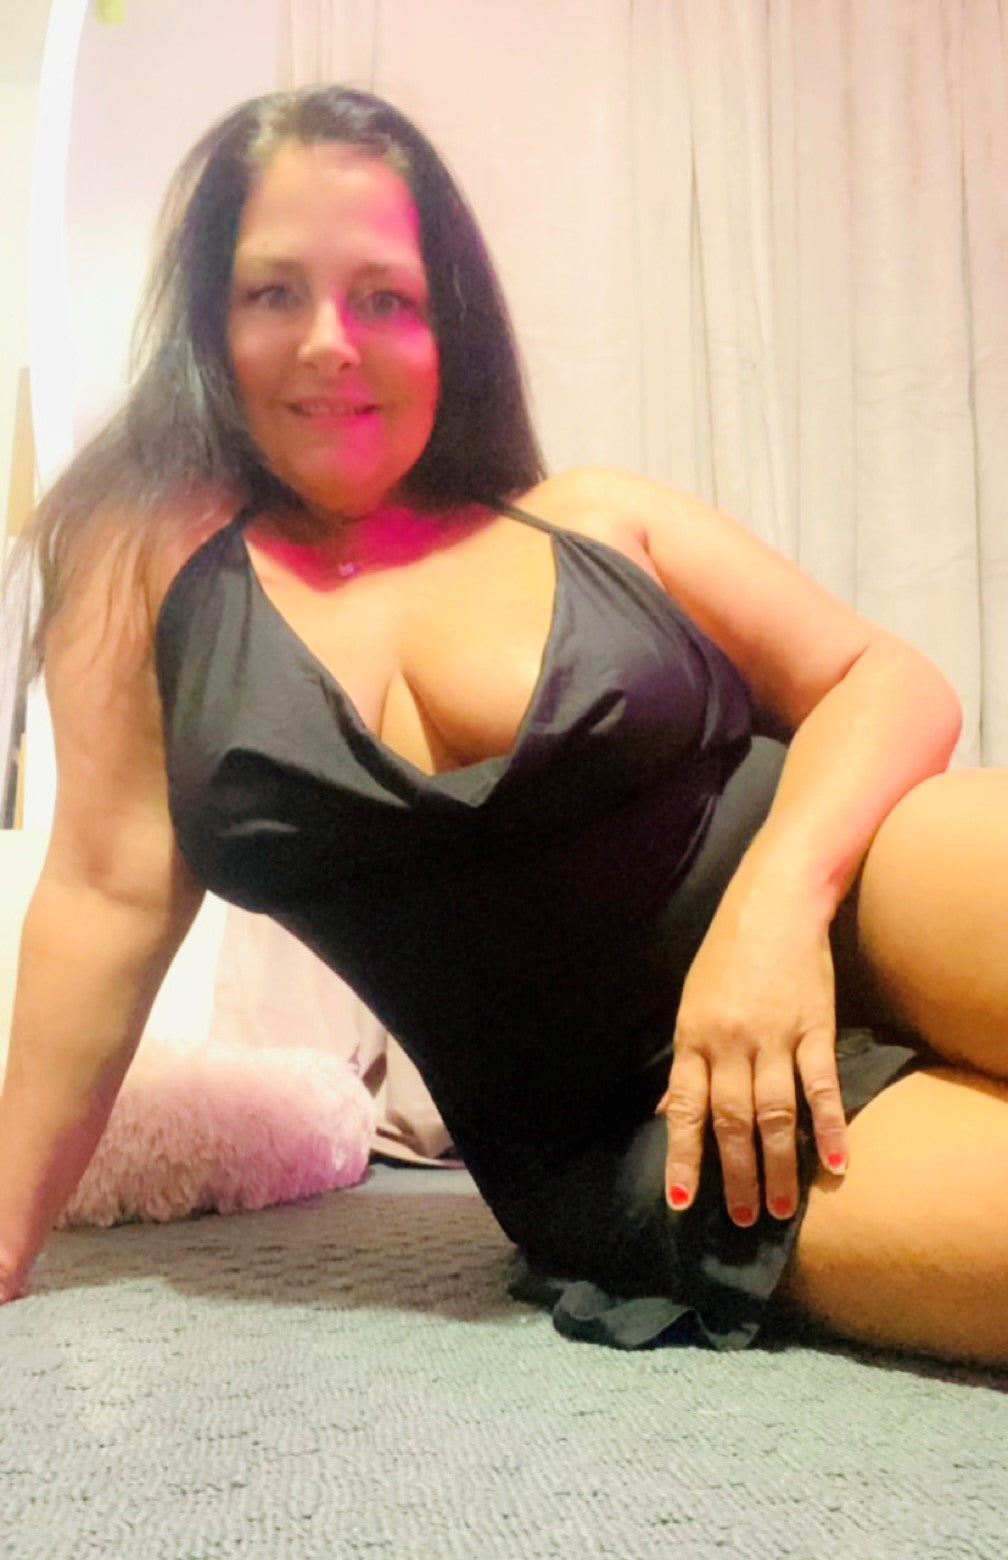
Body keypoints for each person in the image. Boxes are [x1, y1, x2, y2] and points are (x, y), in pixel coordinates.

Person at [2, 85, 1006, 1364]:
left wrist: (773, 915)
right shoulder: (148, 566)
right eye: (274, 293)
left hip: (851, 888)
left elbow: (884, 676)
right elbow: (102, 894)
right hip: (650, 1119)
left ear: (449, 324)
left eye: (384, 296)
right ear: (212, 318)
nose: (329, 342)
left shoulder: (592, 515)